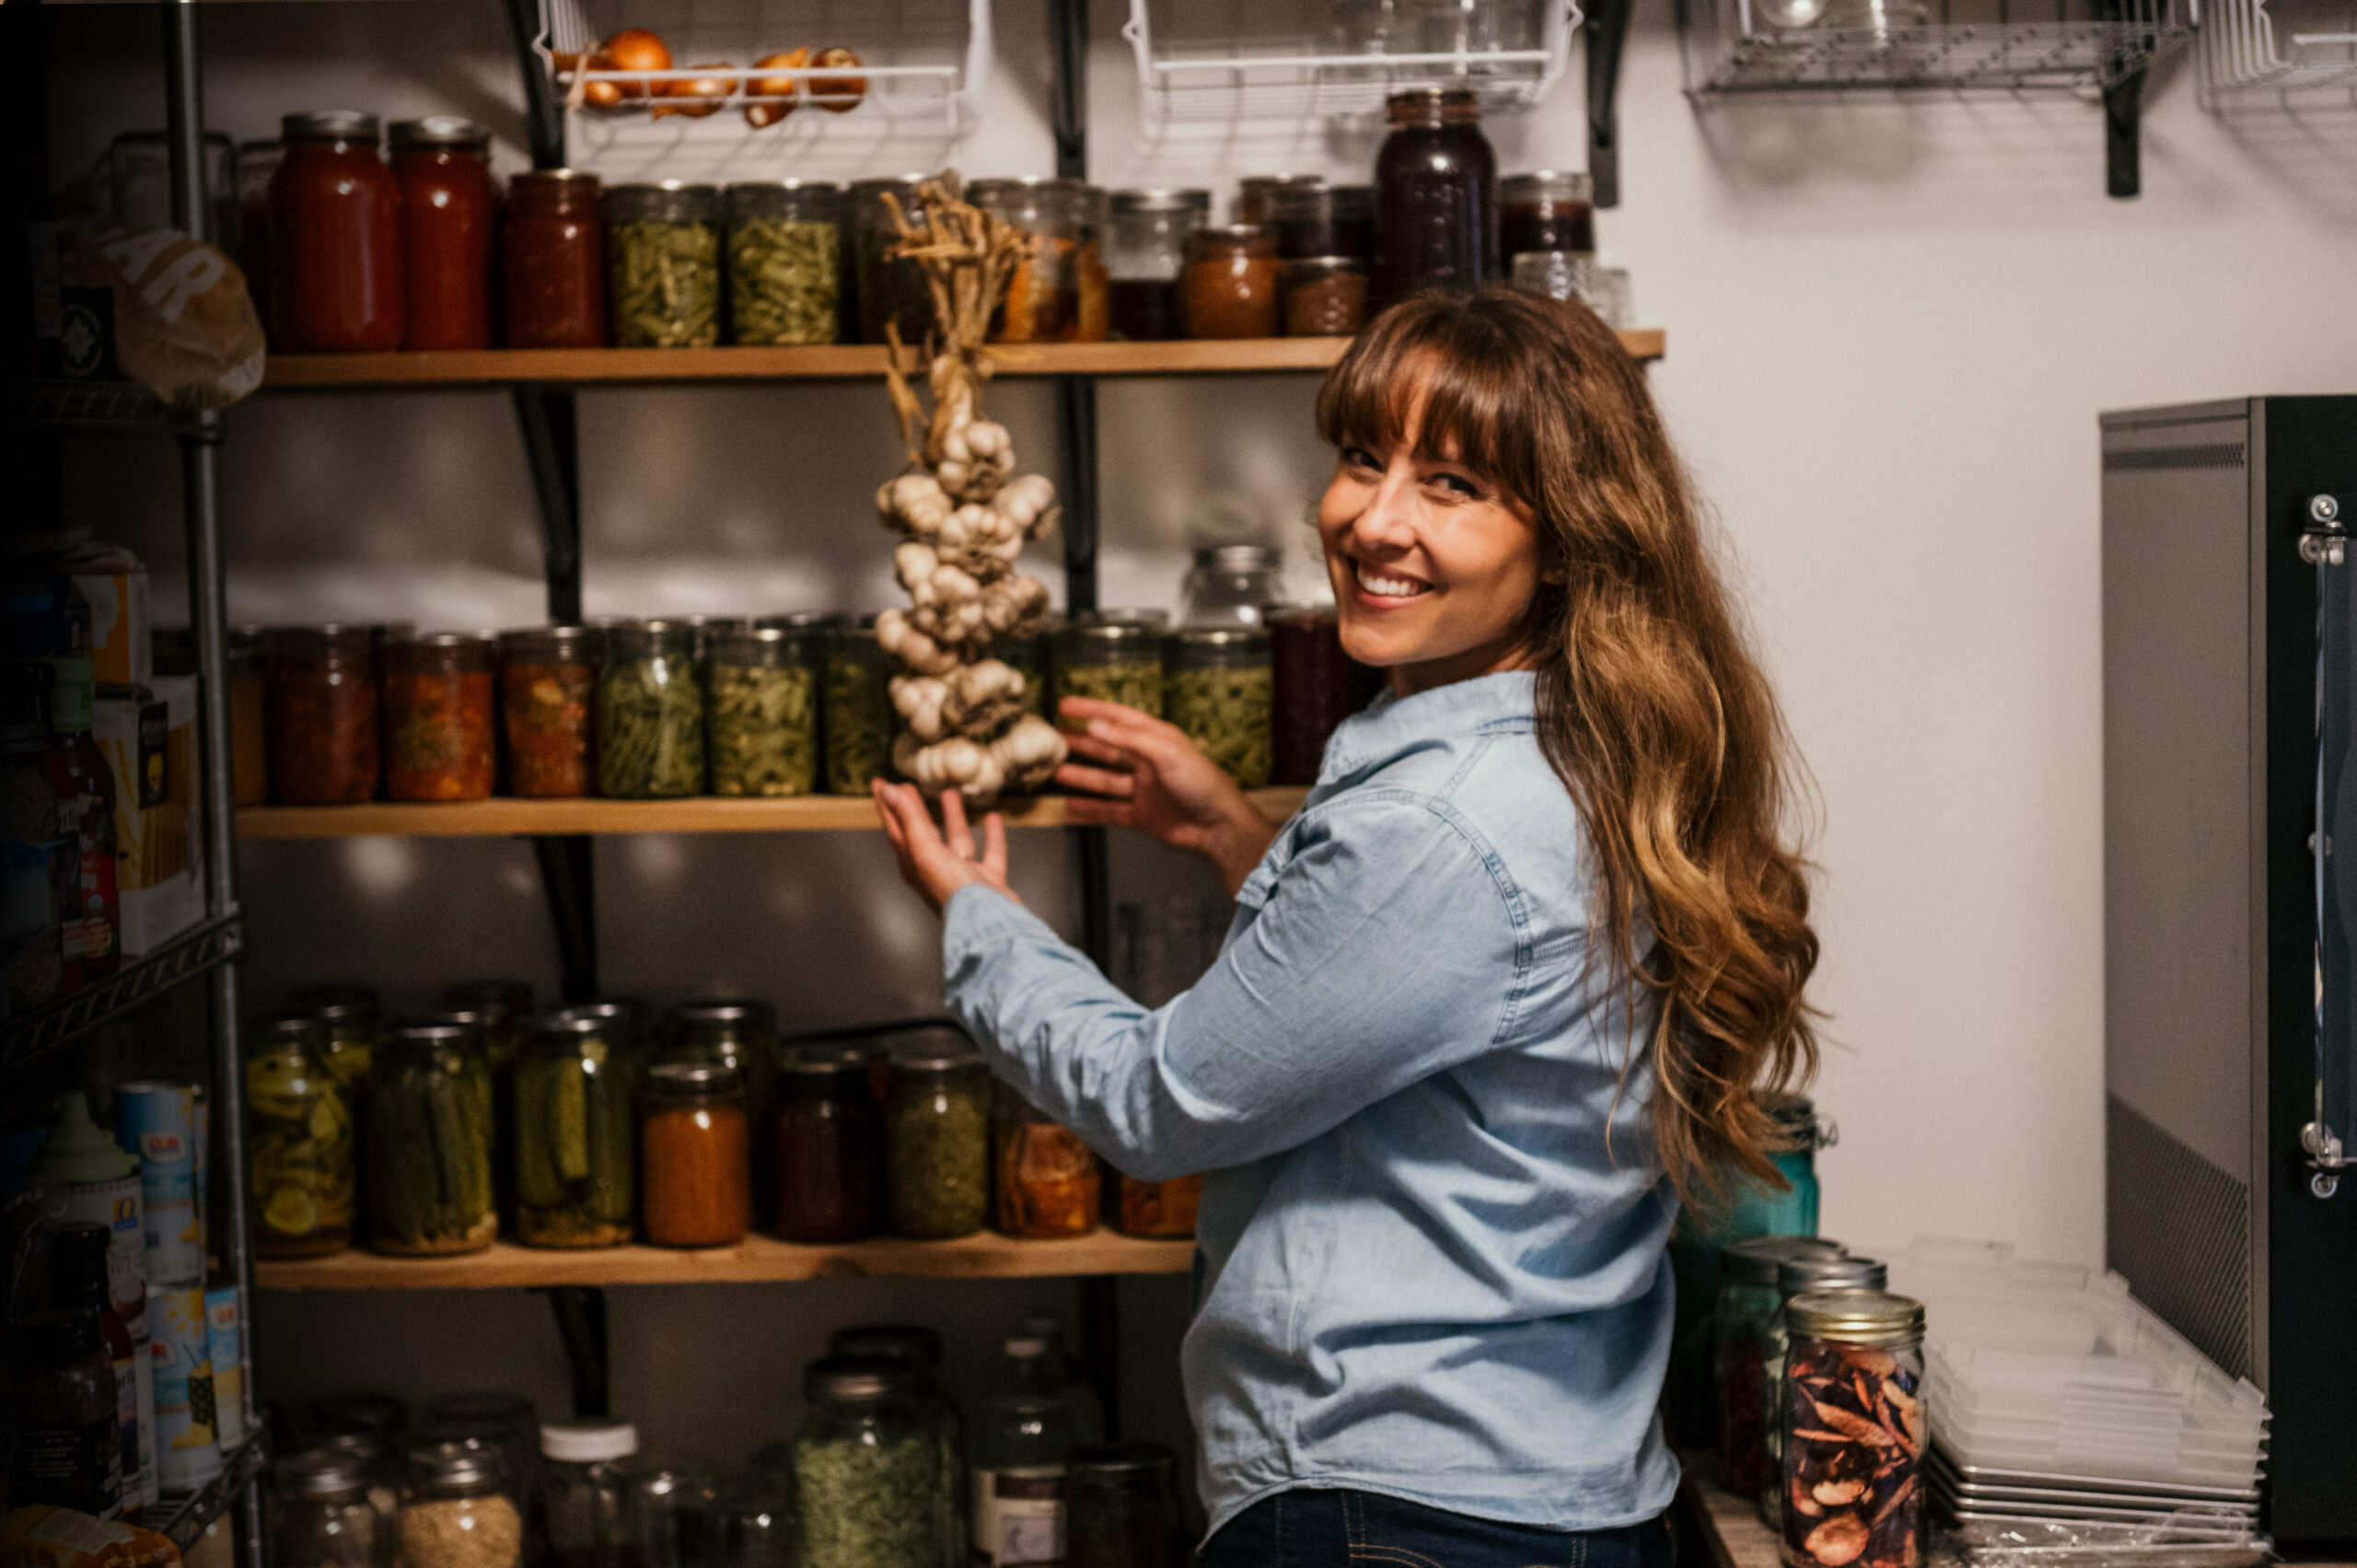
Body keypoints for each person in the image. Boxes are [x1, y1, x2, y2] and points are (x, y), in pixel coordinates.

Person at [872, 287, 1820, 1568]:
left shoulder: (1442, 825)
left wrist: (982, 924)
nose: (1374, 521)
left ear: (1572, 537)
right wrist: (1231, 834)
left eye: (1453, 485)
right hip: (1537, 1492)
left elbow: (1161, 1105)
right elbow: (1461, 1000)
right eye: (1364, 460)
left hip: (1402, 1519)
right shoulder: (1584, 755)